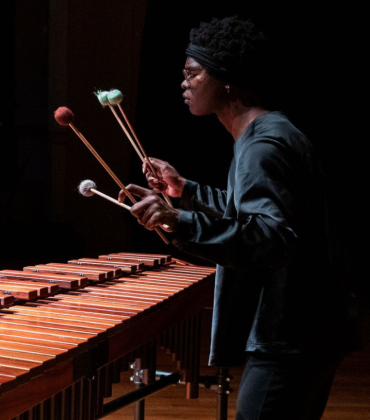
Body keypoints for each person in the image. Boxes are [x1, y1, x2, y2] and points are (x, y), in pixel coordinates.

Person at [120, 16, 358, 420]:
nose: (184, 83)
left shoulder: (264, 145)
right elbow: (250, 210)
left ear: (226, 79)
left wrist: (180, 222)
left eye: (193, 74)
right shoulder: (269, 133)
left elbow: (271, 236)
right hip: (312, 328)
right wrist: (184, 191)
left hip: (292, 334)